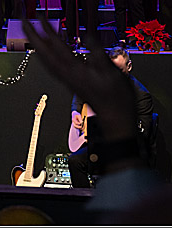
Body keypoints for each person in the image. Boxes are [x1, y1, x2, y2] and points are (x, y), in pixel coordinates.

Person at [66, 46, 154, 188]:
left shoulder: (141, 95)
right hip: (98, 144)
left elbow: (144, 132)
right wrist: (75, 112)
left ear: (129, 66)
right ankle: (84, 203)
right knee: (75, 161)